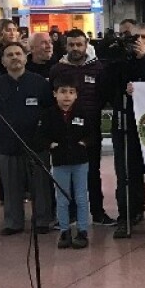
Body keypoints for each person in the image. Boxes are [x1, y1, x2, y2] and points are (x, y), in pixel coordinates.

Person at [105, 23, 145, 238]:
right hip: (125, 123)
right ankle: (128, 214)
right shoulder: (120, 61)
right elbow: (110, 82)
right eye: (134, 37)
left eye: (143, 37)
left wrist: (142, 59)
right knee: (126, 174)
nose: (138, 41)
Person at [50, 29, 114, 226]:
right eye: (71, 45)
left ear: (86, 45)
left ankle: (98, 212)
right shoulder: (57, 70)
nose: (75, 48)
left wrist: (90, 113)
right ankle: (69, 214)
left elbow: (104, 95)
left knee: (93, 173)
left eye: (79, 44)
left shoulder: (97, 68)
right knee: (65, 174)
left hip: (90, 129)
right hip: (63, 130)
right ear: (65, 46)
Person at [0, 42, 53, 236]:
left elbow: (49, 111)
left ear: (26, 57)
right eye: (9, 55)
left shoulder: (40, 83)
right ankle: (13, 222)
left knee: (40, 186)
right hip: (8, 145)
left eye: (18, 54)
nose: (15, 57)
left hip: (36, 145)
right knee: (10, 186)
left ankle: (43, 220)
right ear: (3, 61)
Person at [46, 77, 96, 249]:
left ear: (76, 95)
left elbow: (93, 134)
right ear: (55, 94)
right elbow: (40, 135)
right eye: (62, 92)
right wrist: (49, 144)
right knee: (62, 198)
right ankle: (64, 230)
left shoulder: (83, 113)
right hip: (60, 162)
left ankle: (82, 230)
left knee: (81, 197)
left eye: (71, 92)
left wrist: (84, 143)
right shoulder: (49, 114)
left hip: (80, 162)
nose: (67, 96)